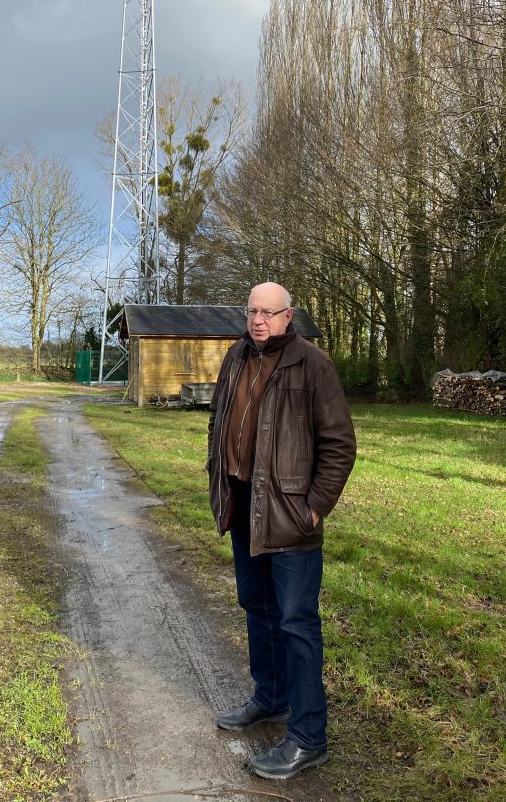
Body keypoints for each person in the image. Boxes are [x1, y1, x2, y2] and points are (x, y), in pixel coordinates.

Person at [207, 281, 356, 780]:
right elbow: (219, 419)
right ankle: (269, 697)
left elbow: (339, 445)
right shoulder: (236, 356)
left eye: (268, 312)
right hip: (243, 505)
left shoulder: (312, 364)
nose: (258, 320)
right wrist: (218, 471)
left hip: (290, 513)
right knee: (258, 607)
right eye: (251, 310)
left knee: (297, 623)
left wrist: (314, 509)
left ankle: (309, 736)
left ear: (288, 316)